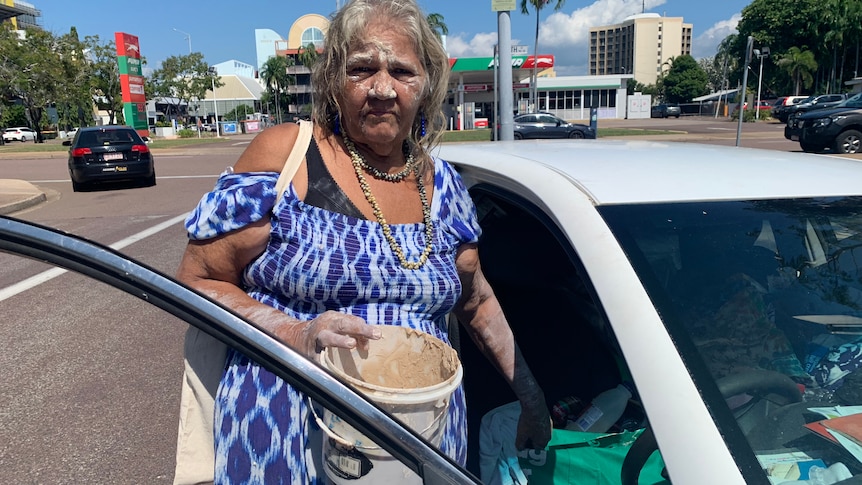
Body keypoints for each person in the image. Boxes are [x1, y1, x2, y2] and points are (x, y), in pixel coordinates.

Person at [176, 0, 551, 481]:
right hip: (288, 435)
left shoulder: (445, 187)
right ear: (335, 78)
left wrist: (532, 400)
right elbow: (197, 279)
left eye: (401, 71)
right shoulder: (288, 156)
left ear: (427, 84)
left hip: (422, 440)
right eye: (361, 69)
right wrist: (296, 333)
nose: (381, 88)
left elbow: (475, 301)